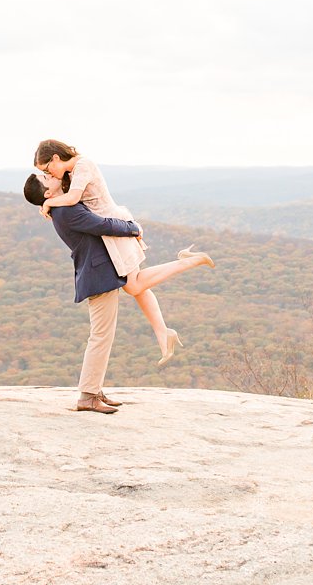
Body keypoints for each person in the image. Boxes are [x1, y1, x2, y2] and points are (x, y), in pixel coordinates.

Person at [24, 171, 213, 414]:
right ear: (48, 193)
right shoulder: (66, 211)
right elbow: (102, 225)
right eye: (46, 179)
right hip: (98, 275)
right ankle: (88, 396)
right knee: (101, 336)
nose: (51, 175)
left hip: (101, 270)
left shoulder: (61, 207)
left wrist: (52, 200)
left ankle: (95, 390)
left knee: (129, 296)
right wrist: (133, 228)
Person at [34, 138, 213, 364]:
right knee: (136, 285)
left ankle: (189, 261)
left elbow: (73, 199)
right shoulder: (71, 172)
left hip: (113, 226)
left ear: (56, 158)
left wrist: (49, 203)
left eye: (47, 169)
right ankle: (163, 332)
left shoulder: (83, 165)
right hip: (108, 231)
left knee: (134, 284)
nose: (49, 174)